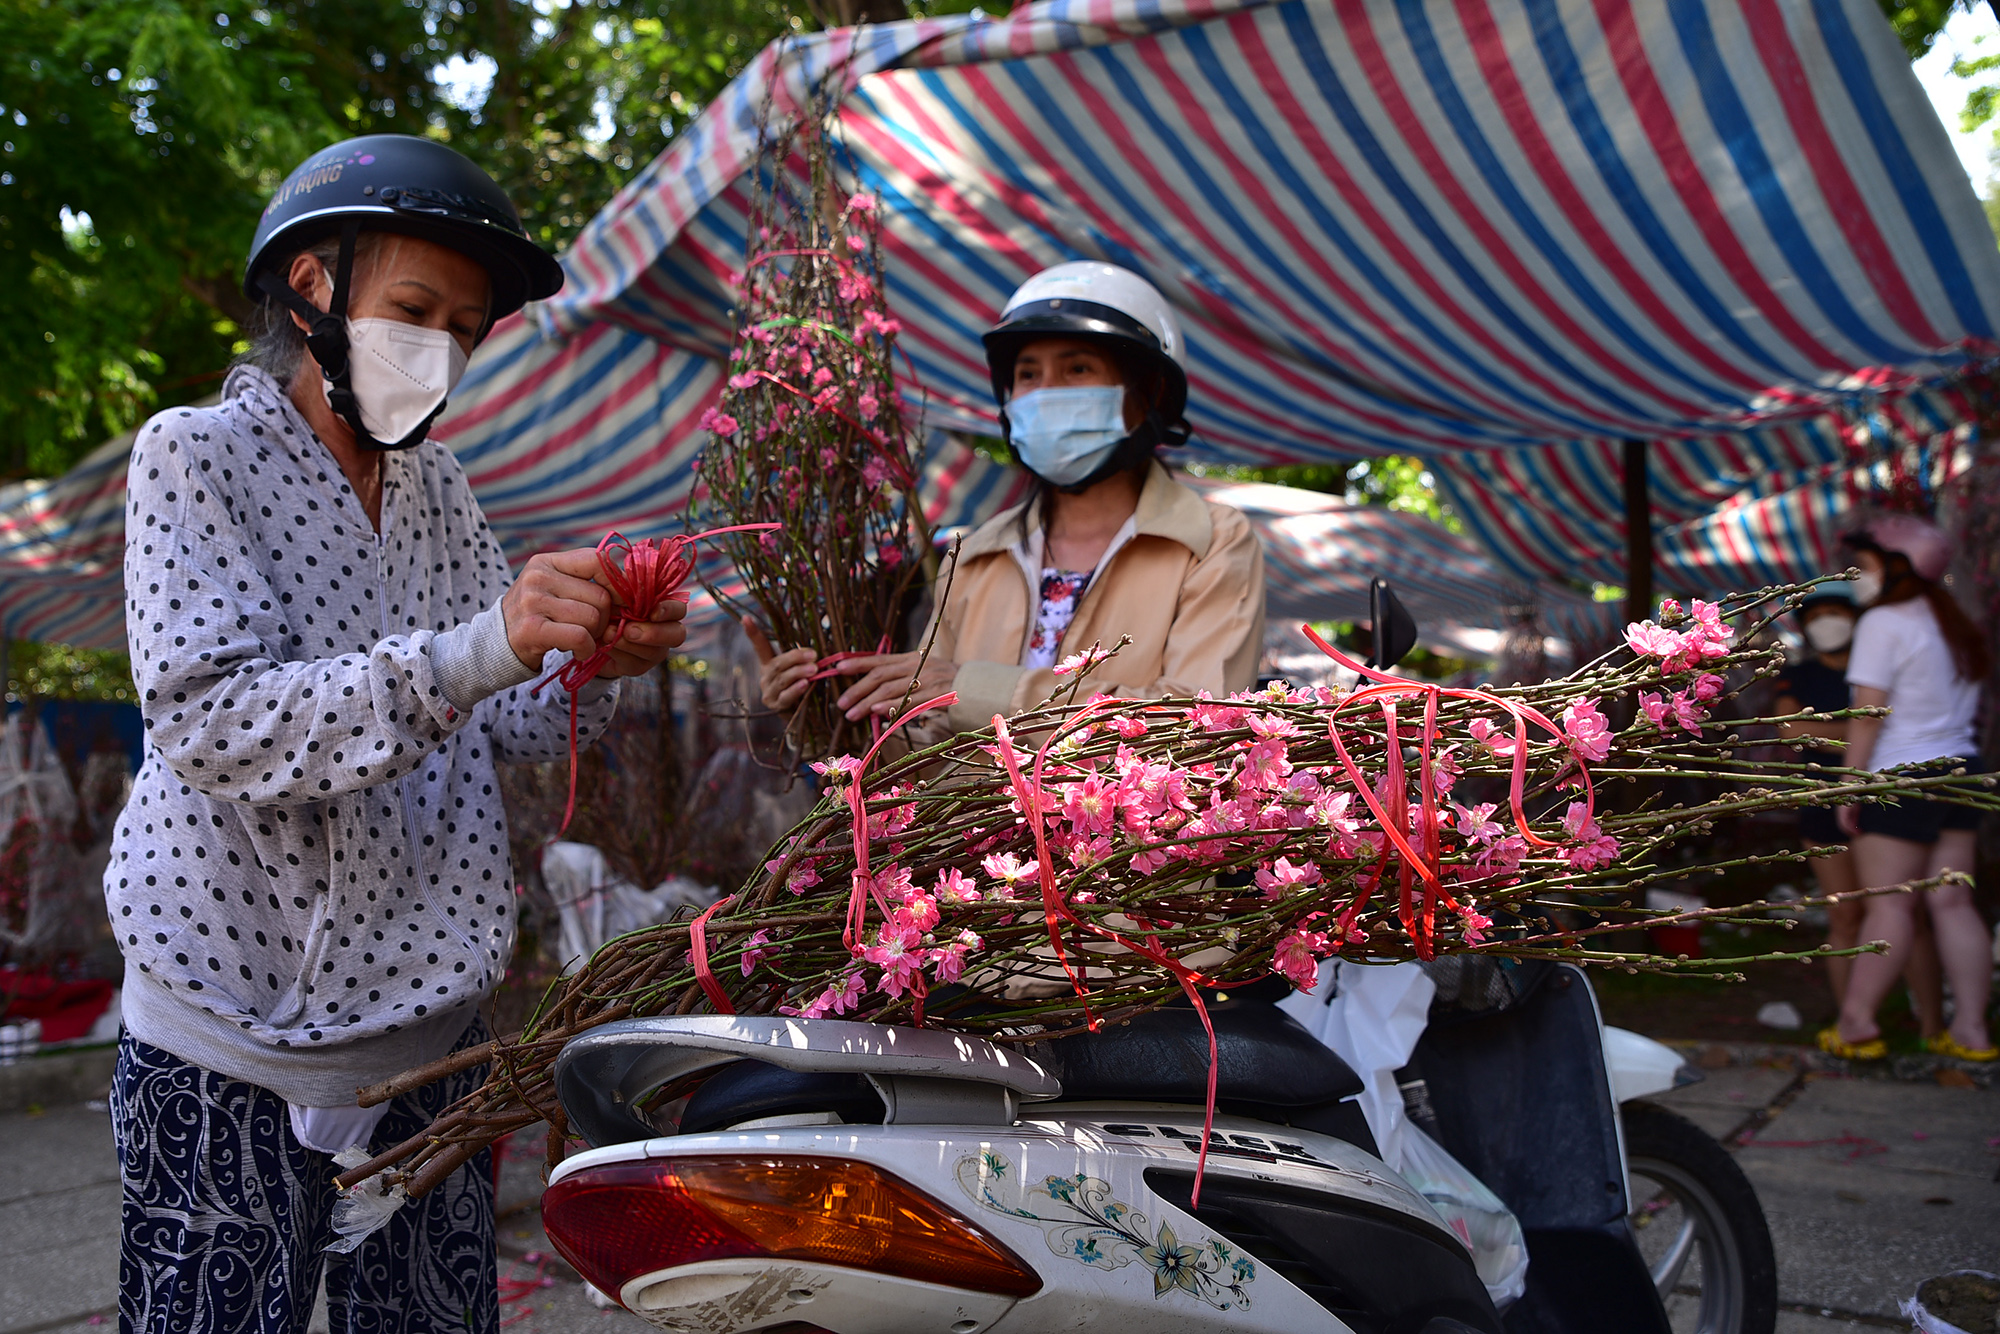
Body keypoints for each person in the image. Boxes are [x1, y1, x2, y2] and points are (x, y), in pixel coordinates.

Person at [107, 135, 686, 1334]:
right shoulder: (192, 454)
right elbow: (214, 719)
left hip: (427, 1038)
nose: (441, 350)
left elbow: (503, 721)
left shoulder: (439, 490)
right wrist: (482, 645)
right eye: (414, 309)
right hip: (227, 1031)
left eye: (463, 327)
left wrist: (587, 657)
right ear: (313, 288)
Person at [750, 262, 1266, 734]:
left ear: (1149, 394)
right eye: (1027, 375)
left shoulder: (1212, 542)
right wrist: (826, 712)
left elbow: (1202, 724)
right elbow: (926, 759)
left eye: (1078, 368)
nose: (1045, 393)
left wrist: (972, 690)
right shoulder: (972, 557)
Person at [1822, 515, 1993, 1062]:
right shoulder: (1955, 624)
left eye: (1868, 563)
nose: (1859, 574)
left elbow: (1867, 715)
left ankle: (1856, 1023)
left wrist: (1849, 783)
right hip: (1960, 773)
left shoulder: (1883, 622)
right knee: (1953, 904)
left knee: (1889, 907)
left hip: (1902, 774)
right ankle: (1971, 1030)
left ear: (1899, 567)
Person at [1772, 584, 1944, 1027]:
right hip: (1823, 801)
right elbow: (1791, 731)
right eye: (1815, 615)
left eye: (1836, 611)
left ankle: (1929, 1025)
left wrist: (1838, 735)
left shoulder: (1884, 672)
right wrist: (1867, 733)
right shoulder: (1799, 675)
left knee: (1905, 914)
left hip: (1887, 803)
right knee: (1846, 915)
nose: (1826, 622)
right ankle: (1853, 1023)